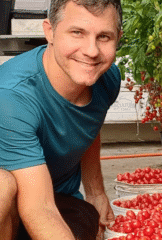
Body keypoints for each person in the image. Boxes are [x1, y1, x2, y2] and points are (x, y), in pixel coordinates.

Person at [0, 0, 123, 239]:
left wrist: (96, 192)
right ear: (50, 32)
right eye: (77, 32)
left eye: (104, 37)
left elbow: (87, 125)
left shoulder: (106, 79)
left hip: (56, 199)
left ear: (118, 37)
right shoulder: (12, 96)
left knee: (86, 221)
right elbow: (40, 209)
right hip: (12, 209)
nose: (91, 51)